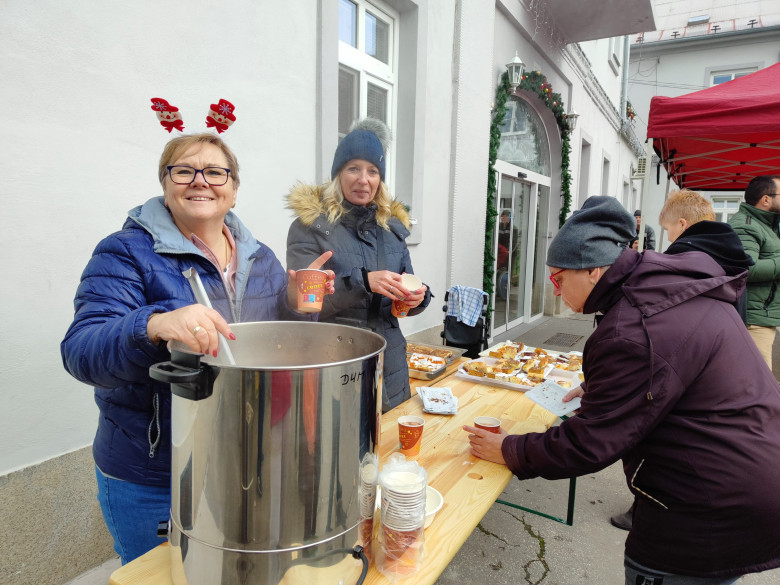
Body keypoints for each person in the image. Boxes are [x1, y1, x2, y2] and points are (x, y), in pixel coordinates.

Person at [465, 196, 780, 584]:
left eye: (558, 278)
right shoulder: (663, 288)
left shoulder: (632, 329)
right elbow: (671, 369)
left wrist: (511, 449)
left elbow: (588, 444)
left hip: (706, 509)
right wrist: (609, 387)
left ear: (594, 271)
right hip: (746, 476)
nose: (556, 291)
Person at [61, 132, 334, 564]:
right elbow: (81, 351)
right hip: (156, 471)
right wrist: (153, 325)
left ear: (234, 189)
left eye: (215, 172)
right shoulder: (124, 252)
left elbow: (278, 345)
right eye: (184, 170)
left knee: (224, 571)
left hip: (243, 459)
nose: (200, 181)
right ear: (165, 185)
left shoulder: (260, 257)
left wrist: (299, 305)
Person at [609, 189, 756, 532]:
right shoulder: (730, 256)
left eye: (670, 231)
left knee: (667, 442)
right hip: (717, 366)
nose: (668, 239)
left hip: (689, 370)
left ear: (684, 223)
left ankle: (649, 507)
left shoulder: (692, 261)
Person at [286, 118, 432, 412]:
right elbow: (305, 305)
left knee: (390, 453)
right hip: (335, 362)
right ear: (338, 174)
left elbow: (407, 286)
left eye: (373, 171)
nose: (363, 179)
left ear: (380, 180)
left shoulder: (392, 230)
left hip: (390, 365)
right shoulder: (310, 227)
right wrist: (362, 282)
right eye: (353, 168)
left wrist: (419, 297)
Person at [728, 175, 780, 371]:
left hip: (762, 316)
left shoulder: (765, 225)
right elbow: (747, 268)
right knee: (758, 385)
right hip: (753, 320)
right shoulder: (746, 225)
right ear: (766, 199)